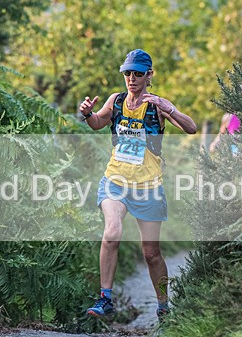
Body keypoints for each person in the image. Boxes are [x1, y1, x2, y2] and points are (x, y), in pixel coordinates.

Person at [79, 49, 197, 320]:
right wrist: (87, 114)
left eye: (138, 74)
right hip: (115, 180)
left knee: (151, 254)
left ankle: (164, 307)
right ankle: (105, 299)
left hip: (148, 186)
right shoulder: (116, 101)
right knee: (112, 231)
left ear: (149, 75)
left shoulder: (157, 105)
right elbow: (98, 123)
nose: (132, 79)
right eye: (127, 73)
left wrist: (170, 109)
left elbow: (191, 128)